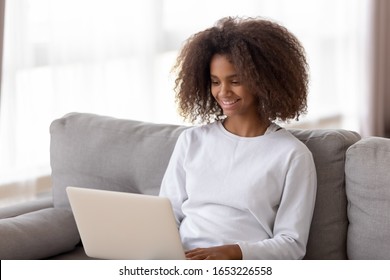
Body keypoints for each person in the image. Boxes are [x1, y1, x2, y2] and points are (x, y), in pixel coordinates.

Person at [159, 16, 317, 260]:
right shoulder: (192, 141)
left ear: (263, 82)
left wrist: (234, 252)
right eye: (215, 82)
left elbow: (292, 244)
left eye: (235, 81)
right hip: (184, 260)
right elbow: (166, 215)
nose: (223, 92)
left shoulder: (292, 155)